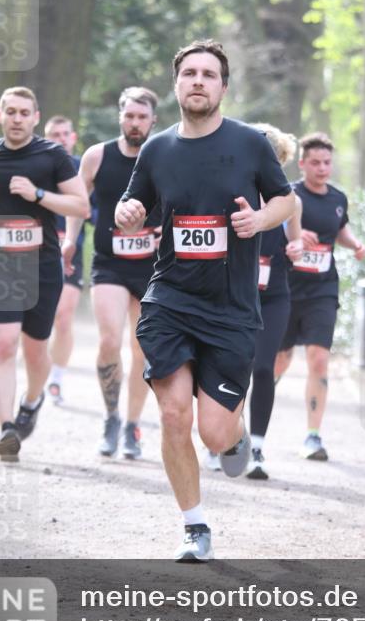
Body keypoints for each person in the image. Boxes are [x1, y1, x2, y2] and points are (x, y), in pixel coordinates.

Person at [116, 40, 294, 562]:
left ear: (223, 86)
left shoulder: (250, 144)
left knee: (214, 434)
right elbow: (136, 199)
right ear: (176, 84)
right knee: (174, 415)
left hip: (231, 308)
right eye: (189, 73)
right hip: (170, 298)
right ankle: (194, 526)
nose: (198, 81)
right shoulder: (158, 148)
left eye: (209, 74)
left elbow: (286, 199)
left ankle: (234, 439)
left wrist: (261, 219)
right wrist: (129, 211)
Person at [0, 87, 89, 460]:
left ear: (35, 117)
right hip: (0, 262)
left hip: (42, 265)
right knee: (2, 343)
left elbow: (80, 205)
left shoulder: (53, 156)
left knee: (35, 351)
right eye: (10, 112)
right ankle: (7, 428)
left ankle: (31, 401)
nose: (16, 119)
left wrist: (38, 195)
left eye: (24, 113)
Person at [62, 87, 159, 460]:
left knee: (142, 349)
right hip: (109, 261)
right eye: (129, 116)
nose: (135, 123)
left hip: (152, 266)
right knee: (108, 341)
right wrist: (71, 239)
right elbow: (76, 203)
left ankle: (134, 425)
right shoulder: (97, 156)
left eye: (142, 117)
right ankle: (111, 417)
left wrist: (166, 230)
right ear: (120, 117)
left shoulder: (163, 155)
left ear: (153, 120)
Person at [275, 132, 365, 461]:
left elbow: (340, 228)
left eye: (327, 162)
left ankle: (313, 435)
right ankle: (255, 412)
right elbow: (275, 228)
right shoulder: (288, 196)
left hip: (322, 290)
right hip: (286, 286)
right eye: (315, 162)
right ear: (301, 164)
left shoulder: (338, 198)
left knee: (319, 359)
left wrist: (355, 243)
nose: (322, 168)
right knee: (279, 360)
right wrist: (297, 233)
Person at [244, 123, 303, 480]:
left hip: (275, 295)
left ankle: (257, 446)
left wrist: (296, 247)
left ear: (279, 158)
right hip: (234, 296)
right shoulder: (232, 191)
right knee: (232, 366)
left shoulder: (291, 200)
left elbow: (295, 245)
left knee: (264, 368)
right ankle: (223, 439)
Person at [43, 115, 86, 405]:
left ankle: (56, 378)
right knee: (39, 317)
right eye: (54, 134)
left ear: (73, 137)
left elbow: (94, 210)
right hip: (40, 248)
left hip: (72, 251)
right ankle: (39, 367)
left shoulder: (85, 167)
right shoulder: (38, 167)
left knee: (63, 315)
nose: (60, 138)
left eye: (65, 133)